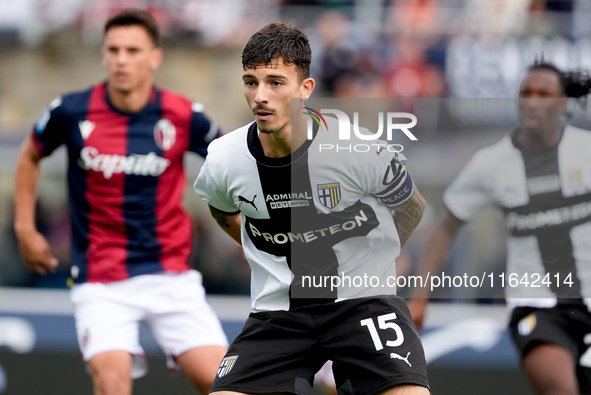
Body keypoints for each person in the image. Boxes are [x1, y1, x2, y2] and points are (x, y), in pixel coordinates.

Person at [194, 21, 430, 395]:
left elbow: (411, 207)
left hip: (361, 303)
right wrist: (264, 248)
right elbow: (222, 209)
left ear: (306, 89)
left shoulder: (358, 148)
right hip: (279, 312)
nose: (260, 96)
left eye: (275, 82)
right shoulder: (224, 159)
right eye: (250, 82)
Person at [13, 9, 228, 395]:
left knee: (224, 385)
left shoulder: (182, 115)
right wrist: (25, 228)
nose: (122, 59)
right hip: (101, 278)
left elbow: (233, 161)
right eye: (114, 49)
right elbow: (30, 156)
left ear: (154, 57)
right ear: (103, 55)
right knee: (112, 382)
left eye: (133, 50)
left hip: (170, 276)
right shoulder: (71, 110)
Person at [408, 62, 591, 395]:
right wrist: (421, 298)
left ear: (563, 103)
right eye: (526, 93)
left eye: (544, 94)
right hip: (536, 306)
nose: (533, 102)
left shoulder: (586, 150)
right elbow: (446, 226)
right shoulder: (491, 163)